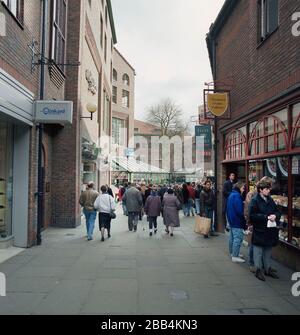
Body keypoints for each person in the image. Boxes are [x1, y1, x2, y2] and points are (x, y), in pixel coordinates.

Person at [249, 180, 281, 281]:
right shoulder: (255, 200)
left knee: (268, 250)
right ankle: (258, 270)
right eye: (267, 189)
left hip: (270, 230)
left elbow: (277, 211)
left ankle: (267, 269)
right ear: (260, 190)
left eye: (269, 189)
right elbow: (252, 216)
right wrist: (266, 217)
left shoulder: (270, 199)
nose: (268, 191)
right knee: (258, 251)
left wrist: (275, 215)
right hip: (260, 230)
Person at [244, 176, 274, 273]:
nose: (270, 189)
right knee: (254, 244)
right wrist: (249, 223)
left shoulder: (266, 195)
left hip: (264, 225)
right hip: (254, 224)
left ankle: (263, 265)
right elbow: (248, 210)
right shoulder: (252, 194)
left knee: (261, 245)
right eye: (268, 186)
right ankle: (253, 264)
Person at [227, 182, 247, 263]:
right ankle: (235, 256)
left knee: (232, 238)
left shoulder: (232, 195)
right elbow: (240, 211)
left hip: (232, 220)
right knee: (237, 239)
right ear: (239, 188)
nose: (243, 190)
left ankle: (233, 253)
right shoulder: (237, 196)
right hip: (237, 220)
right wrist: (244, 219)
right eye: (242, 188)